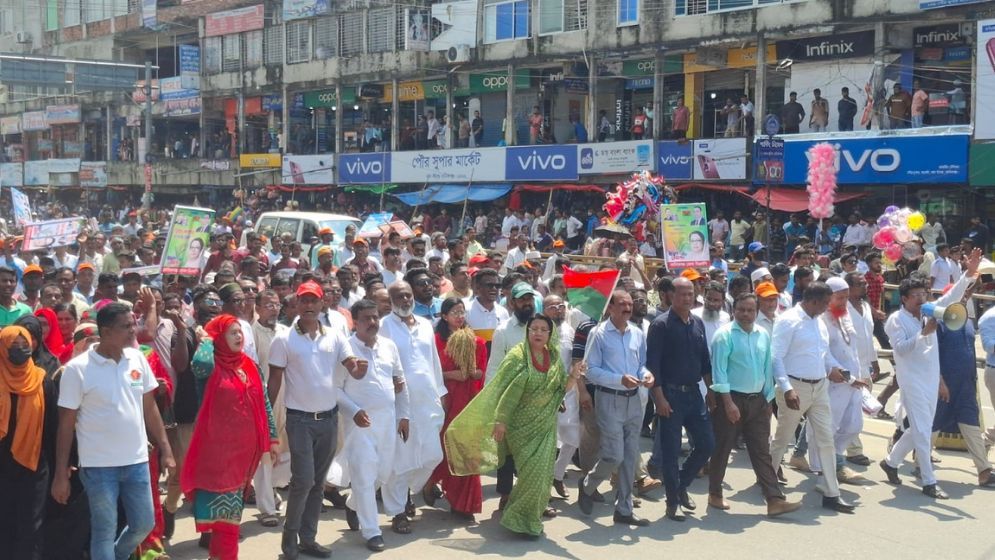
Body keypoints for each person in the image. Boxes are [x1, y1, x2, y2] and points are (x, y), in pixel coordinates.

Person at [52, 303, 175, 559]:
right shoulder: (78, 369)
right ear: (106, 331)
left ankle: (118, 555)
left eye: (133, 324)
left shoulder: (137, 358)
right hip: (98, 467)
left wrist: (165, 448)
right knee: (104, 530)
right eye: (126, 326)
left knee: (144, 524)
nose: (134, 331)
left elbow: (149, 408)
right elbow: (65, 425)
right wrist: (60, 474)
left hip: (137, 461)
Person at [446, 314, 568, 537]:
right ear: (527, 332)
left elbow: (560, 388)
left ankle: (526, 517)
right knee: (532, 473)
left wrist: (575, 377)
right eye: (534, 329)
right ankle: (519, 517)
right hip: (519, 425)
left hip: (545, 425)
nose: (538, 333)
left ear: (550, 334)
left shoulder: (555, 357)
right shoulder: (517, 356)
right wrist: (500, 421)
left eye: (543, 329)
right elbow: (507, 392)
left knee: (542, 475)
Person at [268, 281, 360, 560]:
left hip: (329, 420)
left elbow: (353, 369)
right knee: (303, 481)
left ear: (322, 304)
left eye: (314, 300)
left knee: (318, 483)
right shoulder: (283, 339)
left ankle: (308, 539)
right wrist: (267, 420)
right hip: (299, 421)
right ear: (296, 303)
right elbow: (273, 381)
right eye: (304, 300)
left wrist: (358, 368)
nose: (309, 305)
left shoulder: (334, 336)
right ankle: (289, 542)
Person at [880, 250, 980, 499]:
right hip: (912, 381)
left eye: (924, 294)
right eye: (915, 296)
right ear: (903, 298)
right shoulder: (895, 320)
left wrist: (968, 274)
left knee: (917, 428)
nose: (921, 298)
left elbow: (951, 297)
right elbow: (900, 350)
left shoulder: (929, 312)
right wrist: (923, 334)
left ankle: (891, 462)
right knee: (924, 430)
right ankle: (928, 481)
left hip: (930, 378)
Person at [181, 315, 277, 560]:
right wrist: (205, 341)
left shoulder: (250, 366)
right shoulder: (209, 365)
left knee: (231, 515)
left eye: (239, 332)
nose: (238, 337)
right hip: (216, 452)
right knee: (223, 516)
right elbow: (198, 363)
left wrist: (272, 440)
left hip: (244, 452)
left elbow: (265, 403)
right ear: (218, 338)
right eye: (231, 333)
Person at [707, 294, 802, 515]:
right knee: (722, 448)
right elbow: (719, 373)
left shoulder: (763, 335)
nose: (746, 314)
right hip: (731, 400)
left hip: (758, 401)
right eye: (741, 310)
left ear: (756, 311)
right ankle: (715, 494)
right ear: (734, 310)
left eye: (750, 310)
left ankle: (774, 499)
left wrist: (768, 400)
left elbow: (767, 368)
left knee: (761, 451)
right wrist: (728, 403)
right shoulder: (724, 336)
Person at [330, 300, 409, 552]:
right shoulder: (346, 350)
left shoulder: (389, 346)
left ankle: (353, 505)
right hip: (359, 426)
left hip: (387, 422)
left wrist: (404, 415)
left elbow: (400, 381)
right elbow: (335, 389)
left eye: (375, 317)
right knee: (364, 477)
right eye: (366, 318)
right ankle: (372, 532)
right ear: (355, 321)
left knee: (382, 474)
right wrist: (353, 411)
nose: (372, 322)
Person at [769, 283, 855, 514]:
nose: (829, 307)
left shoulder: (819, 322)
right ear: (814, 301)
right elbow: (776, 358)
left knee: (826, 439)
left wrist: (838, 369)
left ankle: (831, 493)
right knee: (783, 439)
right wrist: (787, 388)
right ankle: (768, 484)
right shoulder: (788, 321)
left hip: (819, 388)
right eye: (827, 302)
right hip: (795, 387)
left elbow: (823, 355)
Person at [578, 290, 655, 526]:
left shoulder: (638, 333)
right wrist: (618, 379)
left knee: (630, 456)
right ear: (610, 307)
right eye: (622, 304)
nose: (627, 308)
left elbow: (641, 364)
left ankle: (624, 509)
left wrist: (646, 374)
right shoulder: (598, 334)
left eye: (630, 304)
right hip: (609, 399)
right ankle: (588, 484)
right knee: (614, 455)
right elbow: (590, 371)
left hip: (634, 400)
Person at [379, 282, 447, 535]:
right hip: (399, 404)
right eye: (399, 296)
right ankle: (397, 511)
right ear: (391, 299)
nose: (405, 299)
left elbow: (433, 361)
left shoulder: (425, 325)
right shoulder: (384, 326)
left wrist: (441, 392)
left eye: (408, 294)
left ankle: (409, 492)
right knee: (400, 459)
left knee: (431, 454)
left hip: (427, 400)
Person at [646, 278, 712, 521]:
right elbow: (652, 366)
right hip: (669, 395)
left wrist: (711, 392)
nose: (687, 298)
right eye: (682, 294)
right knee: (671, 451)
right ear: (671, 296)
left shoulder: (698, 323)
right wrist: (659, 399)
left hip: (694, 394)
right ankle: (672, 503)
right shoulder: (660, 325)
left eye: (690, 294)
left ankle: (681, 485)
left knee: (707, 444)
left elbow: (705, 361)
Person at [0, 326, 58, 558]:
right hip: (1, 466)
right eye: (13, 345)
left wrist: (61, 465)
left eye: (24, 345)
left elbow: (53, 426)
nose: (20, 350)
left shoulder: (42, 381)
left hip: (33, 465)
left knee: (31, 526)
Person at [934, 280, 995, 487]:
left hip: (966, 385)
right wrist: (940, 381)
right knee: (932, 425)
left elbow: (970, 352)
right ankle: (906, 460)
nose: (965, 299)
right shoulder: (938, 323)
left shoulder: (968, 322)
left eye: (966, 296)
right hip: (945, 385)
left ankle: (984, 470)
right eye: (960, 296)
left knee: (971, 425)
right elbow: (933, 357)